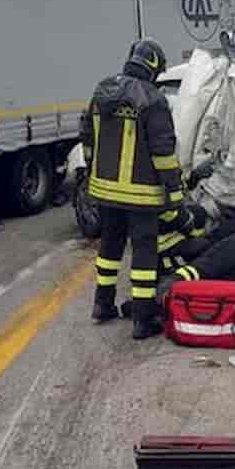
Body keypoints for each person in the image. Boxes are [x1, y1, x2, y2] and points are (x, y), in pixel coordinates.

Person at [80, 38, 185, 339]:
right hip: (141, 195)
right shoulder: (152, 99)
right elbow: (163, 151)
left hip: (105, 191)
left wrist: (93, 173)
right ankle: (143, 319)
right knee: (144, 253)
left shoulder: (102, 91)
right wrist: (174, 192)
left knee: (110, 247)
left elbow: (87, 138)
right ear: (153, 67)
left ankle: (102, 303)